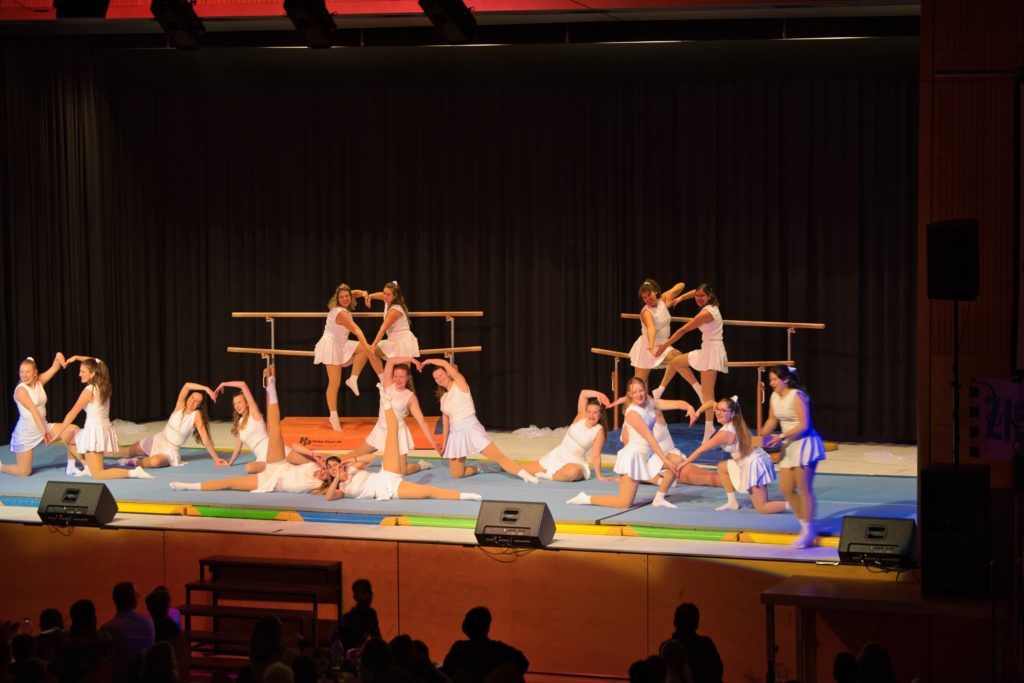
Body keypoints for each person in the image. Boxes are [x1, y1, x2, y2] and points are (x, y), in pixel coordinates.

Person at [324, 382, 483, 502]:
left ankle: (386, 402)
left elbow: (372, 458)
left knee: (392, 433)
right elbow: (329, 497)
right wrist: (337, 478)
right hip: (390, 490)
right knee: (428, 492)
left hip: (386, 474)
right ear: (330, 476)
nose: (333, 468)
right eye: (330, 468)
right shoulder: (342, 489)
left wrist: (353, 460)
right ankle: (466, 496)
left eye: (334, 465)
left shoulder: (352, 470)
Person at [566, 377, 683, 508]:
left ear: (645, 390)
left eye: (641, 390)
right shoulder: (632, 414)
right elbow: (650, 438)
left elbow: (672, 403)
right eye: (635, 392)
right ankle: (586, 498)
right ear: (630, 395)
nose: (639, 394)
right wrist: (664, 459)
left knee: (677, 460)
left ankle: (659, 498)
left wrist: (688, 407)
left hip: (648, 455)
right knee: (624, 503)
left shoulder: (649, 403)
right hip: (634, 457)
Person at [422, 357, 540, 484]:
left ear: (448, 373)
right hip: (455, 435)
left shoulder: (460, 384)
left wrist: (428, 361)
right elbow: (446, 425)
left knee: (500, 458)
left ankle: (526, 475)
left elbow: (445, 363)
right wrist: (444, 445)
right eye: (436, 378)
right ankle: (479, 468)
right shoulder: (444, 398)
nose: (439, 379)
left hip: (471, 428)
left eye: (441, 375)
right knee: (456, 474)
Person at [49, 357, 153, 480]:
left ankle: (134, 472)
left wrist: (58, 434)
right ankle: (72, 467)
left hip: (94, 432)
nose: (79, 374)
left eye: (83, 371)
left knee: (98, 474)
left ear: (93, 373)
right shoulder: (103, 385)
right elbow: (99, 362)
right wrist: (76, 357)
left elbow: (72, 414)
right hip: (103, 429)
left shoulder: (89, 390)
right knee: (70, 438)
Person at [678, 397, 786, 514]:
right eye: (717, 409)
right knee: (722, 467)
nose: (718, 412)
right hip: (755, 458)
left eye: (723, 411)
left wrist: (683, 463)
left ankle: (796, 506)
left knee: (762, 508)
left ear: (732, 413)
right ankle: (732, 502)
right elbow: (710, 403)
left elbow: (700, 450)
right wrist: (698, 412)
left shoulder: (724, 434)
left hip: (753, 465)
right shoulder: (734, 418)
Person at [759, 365, 826, 549]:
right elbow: (772, 420)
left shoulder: (797, 396)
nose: (771, 383)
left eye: (774, 379)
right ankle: (805, 527)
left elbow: (805, 425)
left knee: (804, 488)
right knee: (786, 489)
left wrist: (781, 436)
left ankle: (808, 530)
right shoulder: (774, 397)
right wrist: (760, 437)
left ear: (785, 379)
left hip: (805, 444)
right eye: (770, 380)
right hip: (789, 445)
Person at [653, 283, 729, 442]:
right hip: (706, 348)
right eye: (697, 296)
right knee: (675, 362)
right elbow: (694, 291)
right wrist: (680, 298)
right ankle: (661, 390)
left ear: (709, 295)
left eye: (702, 296)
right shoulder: (709, 305)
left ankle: (709, 428)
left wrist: (664, 346)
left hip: (712, 351)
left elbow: (683, 330)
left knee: (708, 397)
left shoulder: (707, 312)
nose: (698, 298)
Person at [345, 357, 441, 474]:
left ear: (408, 378)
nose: (398, 379)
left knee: (402, 471)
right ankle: (327, 464)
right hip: (380, 430)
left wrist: (433, 443)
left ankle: (421, 465)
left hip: (397, 434)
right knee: (353, 455)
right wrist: (412, 360)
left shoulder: (410, 397)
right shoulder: (388, 385)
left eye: (401, 377)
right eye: (395, 376)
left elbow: (422, 421)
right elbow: (390, 361)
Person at [116, 382, 223, 469]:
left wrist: (217, 459)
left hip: (170, 450)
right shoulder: (180, 406)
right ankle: (104, 451)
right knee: (126, 452)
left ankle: (133, 462)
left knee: (155, 462)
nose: (192, 402)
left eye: (196, 402)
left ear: (199, 405)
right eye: (191, 398)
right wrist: (206, 389)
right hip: (157, 440)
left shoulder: (196, 416)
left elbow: (205, 440)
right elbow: (187, 385)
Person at [313, 283, 374, 430]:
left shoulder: (346, 302)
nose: (345, 299)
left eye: (347, 296)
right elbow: (357, 330)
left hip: (342, 343)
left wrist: (364, 293)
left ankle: (353, 378)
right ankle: (333, 417)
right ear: (337, 299)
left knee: (363, 351)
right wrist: (368, 346)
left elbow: (356, 292)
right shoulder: (341, 313)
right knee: (334, 383)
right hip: (331, 345)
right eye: (341, 297)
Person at [518, 390, 611, 482]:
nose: (591, 415)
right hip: (557, 456)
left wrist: (600, 476)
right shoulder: (581, 417)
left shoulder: (599, 431)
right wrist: (599, 394)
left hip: (575, 462)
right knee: (520, 470)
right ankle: (550, 472)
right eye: (589, 411)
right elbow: (583, 394)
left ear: (600, 415)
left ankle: (549, 476)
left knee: (572, 472)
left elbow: (596, 456)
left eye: (595, 412)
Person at [347, 281, 420, 391]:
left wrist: (373, 345)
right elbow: (381, 295)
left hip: (402, 342)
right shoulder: (388, 300)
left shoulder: (396, 310)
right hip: (392, 340)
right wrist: (370, 296)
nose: (385, 296)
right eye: (384, 293)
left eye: (388, 294)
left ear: (395, 296)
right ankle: (383, 380)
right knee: (369, 351)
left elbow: (382, 329)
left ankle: (409, 399)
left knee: (404, 377)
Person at [5, 353, 65, 477]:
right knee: (24, 472)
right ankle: (1, 466)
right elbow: (34, 410)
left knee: (71, 430)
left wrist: (59, 355)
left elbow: (55, 367)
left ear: (35, 372)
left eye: (27, 372)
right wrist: (44, 431)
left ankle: (75, 466)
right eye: (21, 372)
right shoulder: (20, 390)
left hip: (43, 427)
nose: (24, 375)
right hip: (27, 434)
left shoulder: (39, 382)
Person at [628, 279, 691, 387]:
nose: (647, 299)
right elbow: (651, 329)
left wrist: (677, 298)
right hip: (648, 345)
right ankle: (634, 399)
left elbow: (681, 285)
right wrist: (651, 347)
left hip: (663, 344)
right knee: (638, 384)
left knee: (678, 358)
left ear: (655, 292)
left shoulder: (663, 299)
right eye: (644, 297)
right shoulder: (646, 312)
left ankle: (661, 388)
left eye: (649, 295)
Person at [441, 607, 528, 683]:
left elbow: (446, 672)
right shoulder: (498, 649)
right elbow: (523, 662)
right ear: (487, 627)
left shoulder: (460, 647)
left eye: (467, 620)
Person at [217, 379, 280, 474]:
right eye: (235, 404)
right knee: (249, 468)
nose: (237, 406)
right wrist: (230, 462)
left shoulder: (254, 414)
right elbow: (238, 448)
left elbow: (243, 385)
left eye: (239, 402)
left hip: (273, 451)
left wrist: (223, 384)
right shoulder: (240, 423)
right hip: (262, 458)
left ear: (247, 403)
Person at [101, 581, 155, 683]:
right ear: (134, 600)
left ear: (115, 600)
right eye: (137, 594)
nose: (139, 596)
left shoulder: (107, 629)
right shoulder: (148, 622)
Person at [661, 603, 723, 683]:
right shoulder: (706, 644)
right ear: (696, 624)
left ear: (674, 622)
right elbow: (718, 672)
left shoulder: (667, 648)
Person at [336, 579, 381, 652]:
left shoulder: (371, 614)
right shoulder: (348, 619)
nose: (367, 596)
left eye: (369, 592)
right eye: (363, 593)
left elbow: (377, 636)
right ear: (355, 597)